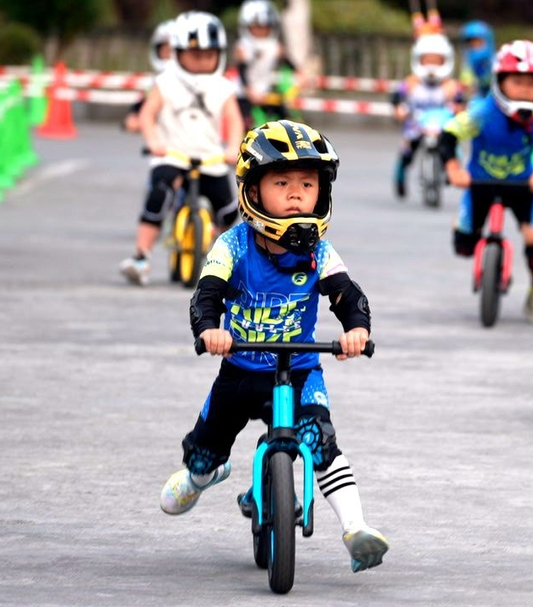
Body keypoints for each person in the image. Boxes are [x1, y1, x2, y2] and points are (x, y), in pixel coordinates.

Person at [159, 120, 390, 574]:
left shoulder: (319, 250)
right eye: (281, 182)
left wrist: (355, 329)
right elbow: (206, 293)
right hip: (240, 369)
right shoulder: (233, 245)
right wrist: (210, 329)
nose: (296, 194)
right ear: (252, 190)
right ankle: (201, 475)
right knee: (205, 453)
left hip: (300, 369)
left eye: (308, 183)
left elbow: (346, 293)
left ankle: (356, 528)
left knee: (320, 441)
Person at [438, 40, 533, 324]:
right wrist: (453, 168)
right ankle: (468, 235)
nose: (525, 88)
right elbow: (448, 136)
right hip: (479, 184)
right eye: (517, 81)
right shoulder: (483, 111)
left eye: (532, 83)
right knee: (463, 243)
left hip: (522, 188)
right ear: (500, 81)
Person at [119, 11, 244, 286]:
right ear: (177, 52)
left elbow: (234, 120)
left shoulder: (223, 87)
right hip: (172, 155)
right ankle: (141, 257)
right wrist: (153, 141)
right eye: (194, 54)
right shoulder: (165, 82)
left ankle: (218, 255)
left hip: (211, 158)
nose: (202, 61)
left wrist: (234, 147)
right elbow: (147, 115)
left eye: (209, 55)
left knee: (228, 207)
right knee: (159, 196)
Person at [391, 33, 465, 198]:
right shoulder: (410, 83)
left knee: (454, 147)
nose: (432, 65)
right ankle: (400, 177)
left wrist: (459, 109)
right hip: (417, 123)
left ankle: (452, 171)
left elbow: (461, 102)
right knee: (407, 150)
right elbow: (396, 98)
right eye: (428, 60)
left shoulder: (451, 86)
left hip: (442, 124)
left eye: (436, 60)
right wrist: (399, 109)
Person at [234, 0, 297, 127]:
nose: (261, 31)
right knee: (245, 125)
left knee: (285, 122)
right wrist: (249, 90)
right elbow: (242, 70)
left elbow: (288, 62)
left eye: (265, 27)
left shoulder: (274, 46)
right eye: (257, 27)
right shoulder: (243, 46)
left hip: (265, 92)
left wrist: (301, 74)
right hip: (244, 94)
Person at [123, 19, 175, 133]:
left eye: (171, 51)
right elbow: (144, 103)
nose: (167, 54)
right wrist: (135, 115)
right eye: (164, 50)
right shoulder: (157, 81)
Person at [458, 20, 495, 100]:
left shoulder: (495, 62)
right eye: (471, 43)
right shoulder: (468, 63)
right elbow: (465, 82)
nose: (474, 46)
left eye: (478, 42)